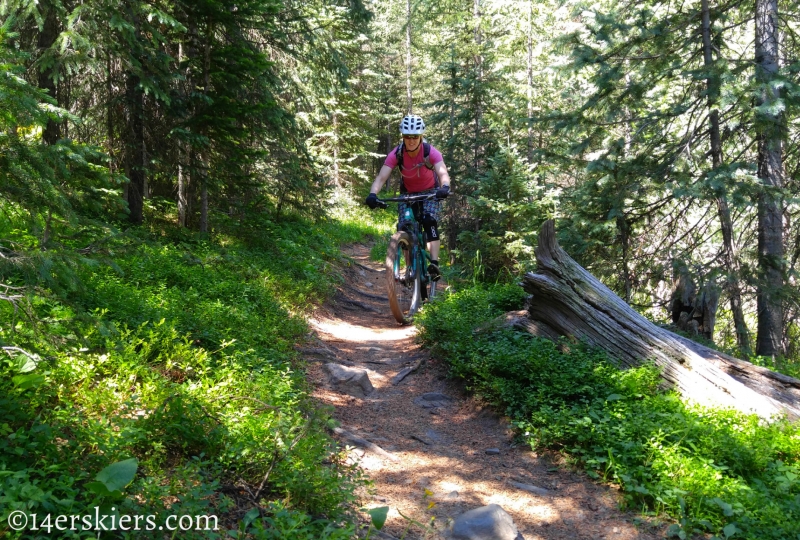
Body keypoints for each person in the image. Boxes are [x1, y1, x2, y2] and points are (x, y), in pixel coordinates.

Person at [365, 114, 452, 280]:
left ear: (421, 137)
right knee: (404, 227)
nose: (411, 140)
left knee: (428, 220)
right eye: (407, 136)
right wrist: (372, 194)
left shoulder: (430, 152)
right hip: (407, 193)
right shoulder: (397, 154)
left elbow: (442, 172)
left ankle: (434, 263)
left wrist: (445, 187)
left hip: (430, 192)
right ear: (403, 137)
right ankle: (410, 269)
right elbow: (381, 177)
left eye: (415, 136)